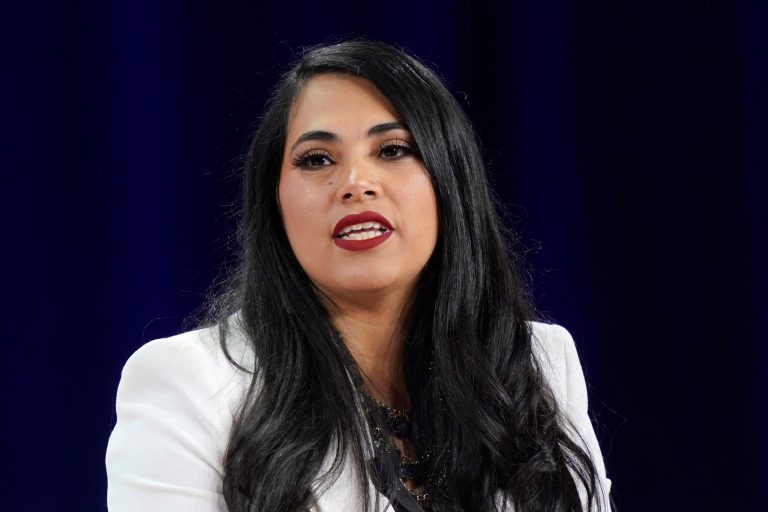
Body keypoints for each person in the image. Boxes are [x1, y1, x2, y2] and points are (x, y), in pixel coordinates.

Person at [106, 40, 612, 512]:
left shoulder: (537, 368)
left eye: (393, 150)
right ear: (274, 205)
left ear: (450, 181)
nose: (355, 184)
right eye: (317, 159)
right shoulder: (190, 384)